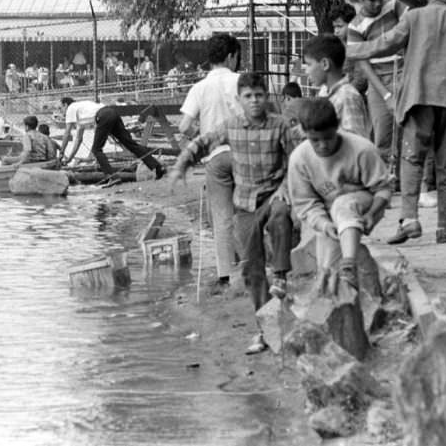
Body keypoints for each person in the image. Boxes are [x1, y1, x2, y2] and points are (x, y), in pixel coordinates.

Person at [168, 72, 293, 354]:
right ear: (238, 100)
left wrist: (286, 186)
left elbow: (296, 158)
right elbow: (202, 142)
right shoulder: (231, 126)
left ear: (266, 97)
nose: (254, 101)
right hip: (245, 201)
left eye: (259, 95)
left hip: (273, 195)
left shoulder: (280, 125)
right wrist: (180, 166)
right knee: (251, 270)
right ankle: (266, 333)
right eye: (248, 96)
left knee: (281, 214)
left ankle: (283, 275)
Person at [347, 0, 446, 245]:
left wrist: (354, 51)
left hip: (418, 97)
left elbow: (388, 43)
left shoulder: (413, 17)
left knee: (411, 158)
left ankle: (410, 219)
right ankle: (445, 226)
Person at [287, 98, 391, 293]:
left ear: (337, 127)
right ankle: (355, 302)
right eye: (315, 140)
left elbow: (383, 188)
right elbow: (305, 205)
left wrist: (372, 214)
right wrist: (325, 225)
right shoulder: (299, 159)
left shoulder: (362, 149)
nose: (323, 145)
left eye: (328, 137)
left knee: (342, 205)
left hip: (363, 204)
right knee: (327, 270)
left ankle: (349, 264)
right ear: (304, 133)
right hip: (329, 216)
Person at [176, 34, 241, 285]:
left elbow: (183, 126)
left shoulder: (200, 87)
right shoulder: (242, 82)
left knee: (222, 217)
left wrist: (204, 140)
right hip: (245, 153)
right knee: (248, 211)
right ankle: (252, 265)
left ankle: (226, 275)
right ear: (230, 56)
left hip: (216, 157)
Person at [346, 0, 408, 174]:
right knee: (382, 136)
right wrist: (386, 95)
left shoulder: (394, 6)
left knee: (408, 132)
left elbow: (411, 25)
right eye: (372, 0)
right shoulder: (355, 26)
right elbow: (363, 64)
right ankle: (384, 182)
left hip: (404, 74)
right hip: (377, 81)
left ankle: (406, 180)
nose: (378, 3)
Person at [60, 97, 165, 178]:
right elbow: (78, 140)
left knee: (96, 150)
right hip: (112, 112)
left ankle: (111, 176)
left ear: (65, 104)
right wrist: (69, 159)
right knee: (130, 144)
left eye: (61, 108)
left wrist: (61, 153)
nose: (62, 111)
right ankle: (157, 167)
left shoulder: (71, 108)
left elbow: (66, 133)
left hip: (103, 116)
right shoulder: (81, 111)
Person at [302, 34, 371, 140]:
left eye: (309, 64)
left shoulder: (347, 96)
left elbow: (356, 142)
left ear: (325, 64)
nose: (306, 71)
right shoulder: (324, 92)